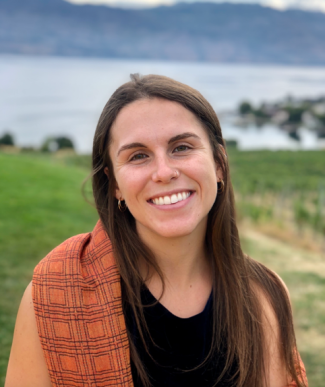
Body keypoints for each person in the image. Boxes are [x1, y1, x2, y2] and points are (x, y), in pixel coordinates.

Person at [5, 74, 308, 387]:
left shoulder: (264, 296)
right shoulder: (52, 296)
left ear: (219, 163)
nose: (164, 172)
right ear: (115, 186)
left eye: (181, 147)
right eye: (138, 156)